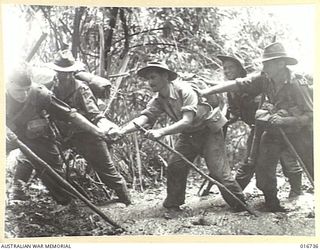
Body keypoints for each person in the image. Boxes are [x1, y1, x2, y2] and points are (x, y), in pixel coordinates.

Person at [110, 61, 246, 216]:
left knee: (219, 172)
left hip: (209, 132)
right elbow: (145, 118)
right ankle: (173, 204)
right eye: (148, 79)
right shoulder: (158, 100)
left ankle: (240, 204)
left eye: (153, 77)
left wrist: (161, 132)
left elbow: (186, 120)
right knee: (175, 166)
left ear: (166, 76)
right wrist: (122, 131)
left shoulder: (185, 90)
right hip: (188, 134)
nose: (150, 82)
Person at [200, 42, 313, 212]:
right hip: (274, 129)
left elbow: (311, 115)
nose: (264, 66)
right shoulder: (264, 78)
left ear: (281, 64)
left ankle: (298, 192)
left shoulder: (297, 83)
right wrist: (207, 92)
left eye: (267, 63)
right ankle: (272, 203)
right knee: (263, 167)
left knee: (312, 167)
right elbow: (238, 84)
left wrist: (287, 121)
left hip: (300, 131)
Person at [6, 66, 110, 205]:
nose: (24, 95)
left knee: (54, 172)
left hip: (36, 134)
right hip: (8, 134)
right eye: (19, 90)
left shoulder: (40, 94)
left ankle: (66, 205)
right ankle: (16, 190)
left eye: (27, 89)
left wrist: (97, 131)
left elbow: (70, 115)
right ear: (7, 83)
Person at [46, 50, 131, 205]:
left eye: (67, 73)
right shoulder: (52, 88)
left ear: (73, 72)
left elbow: (95, 115)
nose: (63, 76)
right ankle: (65, 202)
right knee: (45, 160)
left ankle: (126, 200)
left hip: (87, 134)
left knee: (106, 170)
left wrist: (104, 128)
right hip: (63, 134)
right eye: (60, 73)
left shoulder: (81, 89)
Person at [217, 53, 303, 198]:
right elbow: (234, 113)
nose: (227, 71)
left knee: (287, 158)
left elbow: (270, 102)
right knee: (250, 159)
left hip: (275, 125)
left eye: (231, 67)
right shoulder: (230, 92)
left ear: (240, 70)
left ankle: (295, 190)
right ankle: (235, 193)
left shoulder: (254, 84)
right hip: (257, 128)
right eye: (224, 68)